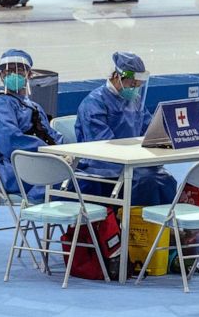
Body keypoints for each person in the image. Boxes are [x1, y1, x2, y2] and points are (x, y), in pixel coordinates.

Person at [75, 51, 177, 206]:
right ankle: (138, 226)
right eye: (132, 84)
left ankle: (164, 227)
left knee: (165, 178)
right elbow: (101, 145)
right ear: (117, 76)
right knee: (147, 181)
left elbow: (150, 130)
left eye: (138, 86)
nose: (135, 89)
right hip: (103, 169)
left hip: (131, 164)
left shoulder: (134, 101)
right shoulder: (94, 103)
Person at [0, 49, 63, 201]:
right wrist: (49, 152)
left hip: (43, 165)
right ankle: (35, 201)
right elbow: (11, 141)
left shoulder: (34, 106)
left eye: (17, 70)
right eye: (6, 71)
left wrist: (68, 151)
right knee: (81, 183)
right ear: (1, 76)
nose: (11, 74)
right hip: (19, 171)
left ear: (29, 74)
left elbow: (51, 136)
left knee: (93, 175)